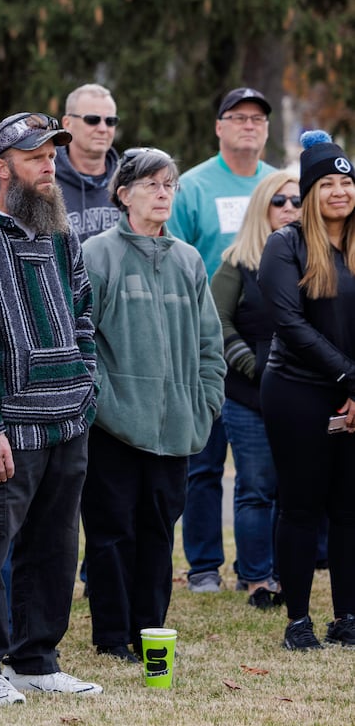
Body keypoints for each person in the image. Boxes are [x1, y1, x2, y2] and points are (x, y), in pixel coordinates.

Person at [0, 111, 103, 705]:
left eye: (53, 155)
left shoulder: (60, 231)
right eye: (35, 157)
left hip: (67, 419)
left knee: (55, 546)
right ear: (1, 168)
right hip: (5, 426)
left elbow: (82, 312)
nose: (49, 165)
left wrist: (86, 386)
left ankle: (36, 658)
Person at [80, 147, 225, 659]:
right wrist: (100, 404)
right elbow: (81, 339)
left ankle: (150, 633)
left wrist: (206, 401)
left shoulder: (187, 260)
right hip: (113, 426)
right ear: (123, 195)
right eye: (151, 185)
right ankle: (111, 636)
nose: (163, 194)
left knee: (158, 533)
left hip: (176, 427)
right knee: (111, 531)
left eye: (170, 185)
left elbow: (211, 342)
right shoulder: (96, 254)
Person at [169, 87, 278, 593]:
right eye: (238, 117)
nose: (249, 126)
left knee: (263, 470)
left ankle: (258, 567)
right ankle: (205, 565)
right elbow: (174, 257)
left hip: (264, 344)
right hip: (203, 341)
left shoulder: (279, 185)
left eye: (258, 118)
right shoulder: (192, 186)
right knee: (204, 463)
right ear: (219, 127)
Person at [258, 131, 355, 651]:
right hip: (298, 391)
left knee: (348, 508)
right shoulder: (286, 244)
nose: (339, 191)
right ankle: (299, 619)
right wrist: (348, 377)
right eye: (327, 183)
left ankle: (348, 616)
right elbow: (290, 323)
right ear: (311, 192)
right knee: (301, 505)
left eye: (347, 181)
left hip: (353, 393)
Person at [213, 169, 301, 609]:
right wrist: (252, 366)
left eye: (297, 201)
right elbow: (217, 321)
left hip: (303, 395)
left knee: (296, 488)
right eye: (279, 201)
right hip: (248, 395)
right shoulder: (238, 261)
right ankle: (256, 580)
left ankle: (289, 573)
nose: (289, 209)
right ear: (261, 207)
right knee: (256, 486)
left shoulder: (317, 258)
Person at [57, 83, 122, 242]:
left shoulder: (128, 180)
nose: (102, 128)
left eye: (110, 121)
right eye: (92, 120)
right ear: (67, 123)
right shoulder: (45, 180)